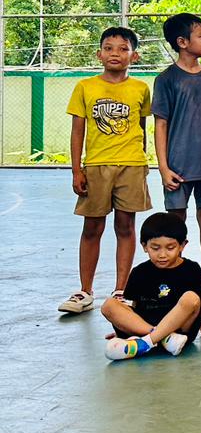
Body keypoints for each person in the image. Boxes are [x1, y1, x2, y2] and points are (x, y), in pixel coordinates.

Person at [60, 27, 152, 315]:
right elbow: (77, 132)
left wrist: (143, 163)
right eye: (109, 48)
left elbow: (142, 128)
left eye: (123, 49)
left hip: (132, 165)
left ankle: (121, 290)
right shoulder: (85, 87)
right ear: (99, 54)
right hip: (97, 166)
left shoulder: (140, 89)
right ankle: (85, 291)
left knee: (125, 227)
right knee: (92, 228)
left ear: (134, 56)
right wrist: (77, 170)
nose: (115, 53)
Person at [153, 13, 201, 310]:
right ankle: (173, 279)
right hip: (178, 167)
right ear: (182, 42)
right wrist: (163, 166)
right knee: (175, 221)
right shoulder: (166, 79)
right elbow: (160, 124)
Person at [100, 212, 201, 360]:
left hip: (181, 330)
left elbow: (200, 301)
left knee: (191, 298)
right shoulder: (139, 272)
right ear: (144, 246)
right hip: (153, 327)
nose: (162, 254)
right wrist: (126, 326)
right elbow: (133, 305)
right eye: (155, 248)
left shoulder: (192, 269)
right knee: (108, 305)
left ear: (182, 245)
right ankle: (162, 337)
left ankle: (146, 341)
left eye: (170, 248)